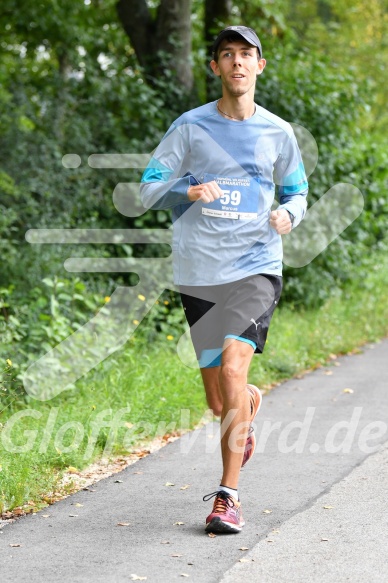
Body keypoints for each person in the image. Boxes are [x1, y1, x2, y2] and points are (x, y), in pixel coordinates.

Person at [140, 25, 308, 534]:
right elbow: (147, 190)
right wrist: (187, 193)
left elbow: (298, 192)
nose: (237, 62)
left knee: (234, 371)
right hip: (199, 275)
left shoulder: (278, 133)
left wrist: (290, 216)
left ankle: (227, 497)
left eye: (246, 55)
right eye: (227, 55)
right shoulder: (190, 127)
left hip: (255, 267)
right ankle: (249, 404)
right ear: (215, 68)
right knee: (220, 401)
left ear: (259, 66)